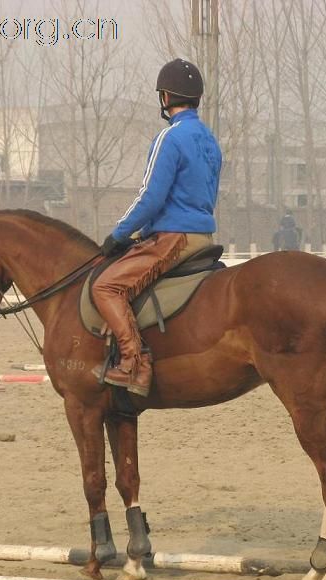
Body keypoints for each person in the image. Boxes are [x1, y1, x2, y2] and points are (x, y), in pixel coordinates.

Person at [91, 59, 222, 397]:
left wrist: (119, 234)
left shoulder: (170, 138)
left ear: (165, 97)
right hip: (202, 237)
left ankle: (134, 364)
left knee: (106, 286)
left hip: (173, 239)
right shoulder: (210, 142)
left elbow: (150, 197)